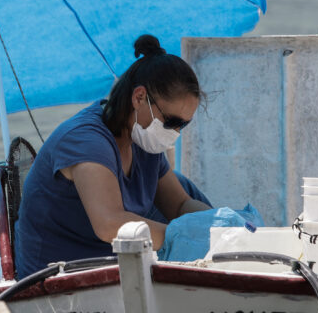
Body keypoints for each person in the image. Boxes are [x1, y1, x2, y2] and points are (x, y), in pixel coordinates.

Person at [14, 34, 211, 278]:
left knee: (186, 189)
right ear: (139, 98)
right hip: (54, 277)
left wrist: (218, 227)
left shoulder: (142, 141)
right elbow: (109, 223)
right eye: (171, 122)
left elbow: (180, 204)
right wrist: (181, 236)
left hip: (112, 268)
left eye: (184, 125)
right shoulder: (86, 141)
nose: (176, 133)